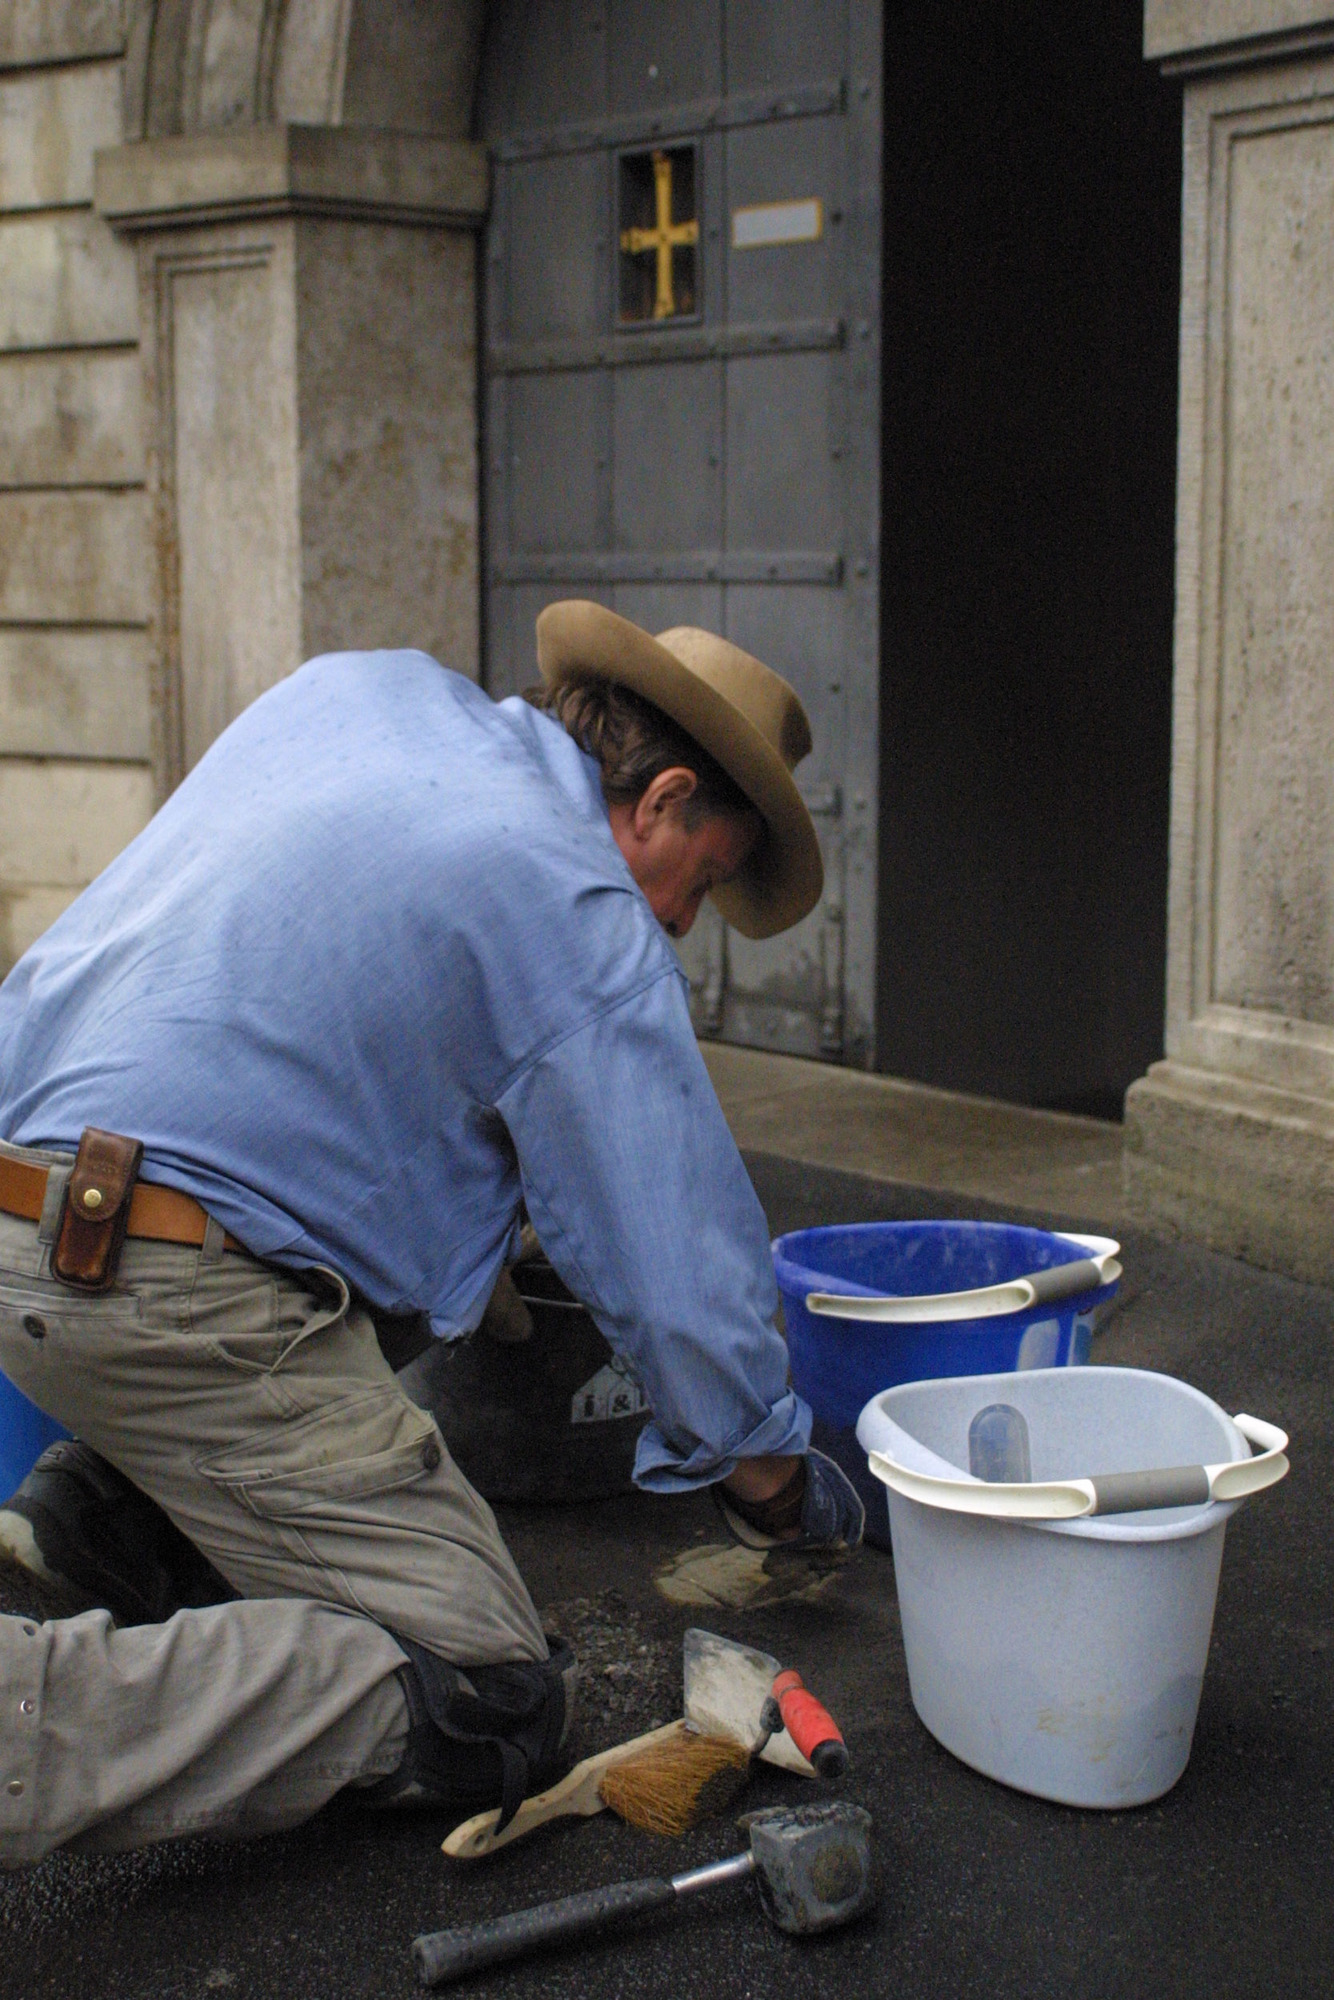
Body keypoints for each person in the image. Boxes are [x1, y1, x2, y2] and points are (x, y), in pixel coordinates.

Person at [0, 601, 862, 1866]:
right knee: (487, 1693)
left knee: (381, 1282)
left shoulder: (355, 695)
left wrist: (477, 1231)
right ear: (664, 799)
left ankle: (93, 1524)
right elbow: (676, 1272)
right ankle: (31, 1720)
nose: (683, 920)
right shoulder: (575, 898)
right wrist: (773, 1481)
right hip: (167, 1290)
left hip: (25, 1210)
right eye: (704, 878)